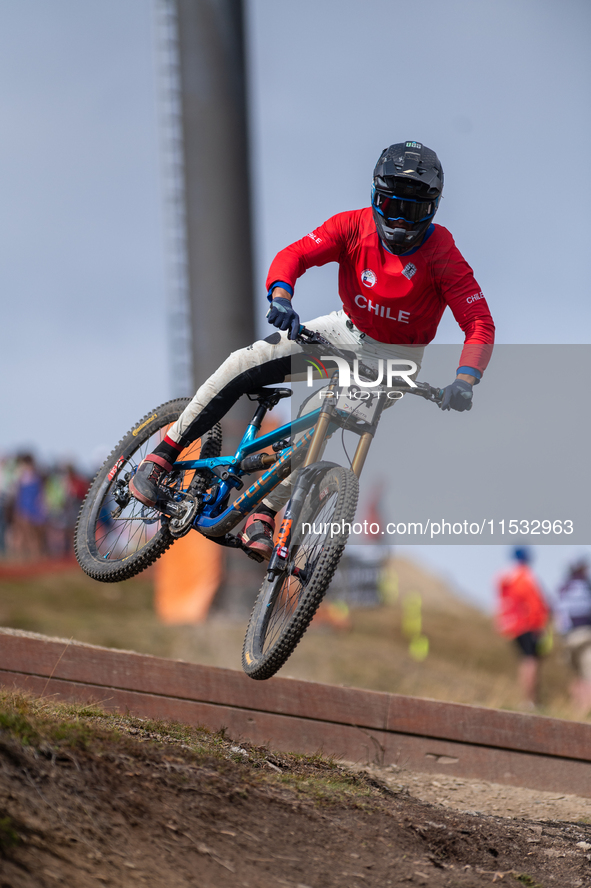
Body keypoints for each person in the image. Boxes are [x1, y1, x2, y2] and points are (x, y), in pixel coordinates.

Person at [129, 141, 495, 559]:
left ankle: (263, 514)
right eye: (388, 205)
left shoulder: (443, 254)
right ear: (374, 197)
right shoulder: (352, 226)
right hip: (343, 330)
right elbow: (296, 255)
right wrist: (281, 297)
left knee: (317, 424)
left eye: (409, 211)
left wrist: (466, 379)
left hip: (395, 360)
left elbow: (479, 323)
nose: (396, 219)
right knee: (244, 362)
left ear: (430, 210)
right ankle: (161, 456)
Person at [496, 547, 550, 708]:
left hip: (512, 626)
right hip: (528, 625)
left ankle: (526, 700)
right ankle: (530, 700)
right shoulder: (525, 576)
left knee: (524, 661)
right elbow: (535, 603)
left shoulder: (506, 577)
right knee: (531, 661)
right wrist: (540, 624)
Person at [554, 559, 591, 717]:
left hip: (568, 638)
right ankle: (586, 712)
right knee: (588, 674)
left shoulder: (564, 587)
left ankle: (577, 710)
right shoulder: (586, 586)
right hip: (585, 635)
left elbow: (558, 614)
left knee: (577, 675)